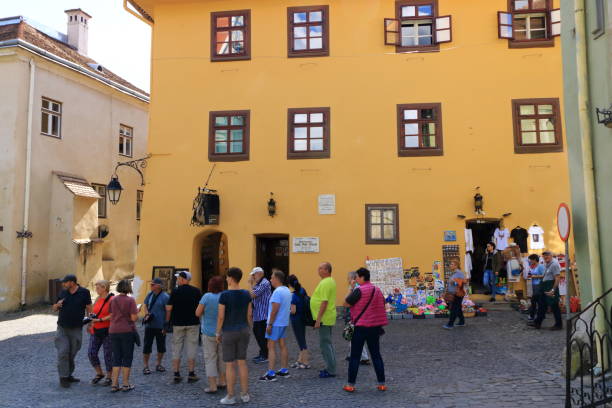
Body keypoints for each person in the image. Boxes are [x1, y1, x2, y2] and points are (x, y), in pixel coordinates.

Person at [342, 267, 388, 393]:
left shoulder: (358, 290)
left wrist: (351, 288)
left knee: (355, 356)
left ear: (362, 277)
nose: (355, 279)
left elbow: (346, 303)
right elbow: (382, 303)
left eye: (356, 277)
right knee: (376, 355)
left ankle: (350, 385)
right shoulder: (377, 290)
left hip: (360, 327)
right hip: (374, 327)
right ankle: (382, 384)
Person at [216, 267, 253, 405]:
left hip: (229, 331)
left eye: (227, 277)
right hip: (243, 329)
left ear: (231, 278)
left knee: (230, 365)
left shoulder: (224, 295)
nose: (226, 279)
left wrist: (217, 332)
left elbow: (221, 317)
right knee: (242, 363)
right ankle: (245, 394)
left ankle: (231, 396)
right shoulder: (246, 294)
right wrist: (249, 328)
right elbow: (249, 314)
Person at [52, 274, 92, 388]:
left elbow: (89, 307)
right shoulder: (62, 292)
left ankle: (68, 374)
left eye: (65, 282)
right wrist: (57, 305)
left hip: (76, 328)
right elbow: (54, 308)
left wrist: (90, 322)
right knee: (63, 351)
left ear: (72, 282)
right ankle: (63, 377)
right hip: (62, 328)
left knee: (72, 352)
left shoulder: (84, 292)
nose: (63, 284)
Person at [165, 270, 202, 384]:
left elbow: (169, 309)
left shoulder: (175, 292)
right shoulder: (196, 291)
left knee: (177, 348)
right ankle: (191, 373)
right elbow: (201, 307)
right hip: (193, 323)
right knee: (192, 348)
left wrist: (167, 322)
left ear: (183, 279)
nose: (177, 280)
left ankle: (176, 373)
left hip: (178, 324)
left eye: (178, 278)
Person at [195, 276, 227, 394]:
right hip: (223, 332)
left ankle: (213, 385)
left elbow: (197, 313)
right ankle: (223, 381)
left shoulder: (206, 297)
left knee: (210, 359)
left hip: (208, 332)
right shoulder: (225, 296)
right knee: (222, 358)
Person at [260, 270, 292, 382]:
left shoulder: (277, 292)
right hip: (283, 322)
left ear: (277, 279)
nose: (270, 279)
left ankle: (271, 373)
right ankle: (284, 370)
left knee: (271, 346)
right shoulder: (287, 290)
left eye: (272, 277)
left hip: (276, 323)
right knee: (283, 345)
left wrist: (270, 324)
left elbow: (275, 309)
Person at [108, 279, 138, 392]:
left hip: (113, 330)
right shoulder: (130, 300)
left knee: (116, 357)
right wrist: (137, 311)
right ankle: (125, 384)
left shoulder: (113, 300)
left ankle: (114, 385)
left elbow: (111, 315)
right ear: (128, 288)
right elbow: (134, 318)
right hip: (126, 331)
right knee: (127, 357)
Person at [311, 262, 337, 378]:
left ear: (327, 270)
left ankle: (331, 370)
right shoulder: (328, 281)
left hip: (324, 319)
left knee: (325, 344)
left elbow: (324, 302)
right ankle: (331, 367)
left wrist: (318, 319)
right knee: (327, 343)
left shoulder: (326, 282)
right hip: (327, 317)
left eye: (320, 268)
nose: (318, 269)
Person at [87, 280, 113, 386]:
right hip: (96, 330)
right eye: (96, 287)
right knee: (91, 353)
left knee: (108, 354)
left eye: (98, 288)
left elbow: (113, 314)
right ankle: (99, 373)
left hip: (108, 330)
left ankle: (109, 376)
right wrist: (90, 322)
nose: (96, 289)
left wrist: (100, 320)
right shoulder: (97, 299)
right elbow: (94, 312)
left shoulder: (112, 299)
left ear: (104, 288)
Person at [142, 278, 170, 375]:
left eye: (153, 284)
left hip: (160, 326)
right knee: (147, 346)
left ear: (159, 286)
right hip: (149, 325)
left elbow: (168, 311)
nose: (151, 286)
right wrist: (146, 314)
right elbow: (145, 304)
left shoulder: (165, 297)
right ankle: (146, 366)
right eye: (151, 284)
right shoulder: (150, 294)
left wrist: (166, 324)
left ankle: (158, 364)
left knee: (161, 346)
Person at [530, 251, 562, 330]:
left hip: (550, 287)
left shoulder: (554, 264)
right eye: (544, 256)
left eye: (547, 255)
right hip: (545, 287)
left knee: (554, 306)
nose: (545, 257)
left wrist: (553, 290)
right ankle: (537, 323)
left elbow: (557, 278)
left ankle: (558, 325)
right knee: (542, 305)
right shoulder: (547, 264)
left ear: (551, 256)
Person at [345, 271, 370, 365]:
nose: (347, 280)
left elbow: (346, 301)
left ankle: (363, 357)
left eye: (348, 278)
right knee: (352, 336)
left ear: (353, 279)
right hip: (355, 316)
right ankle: (352, 355)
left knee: (355, 337)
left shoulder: (356, 289)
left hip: (356, 317)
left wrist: (350, 289)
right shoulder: (356, 288)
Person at [248, 267, 271, 364]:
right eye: (252, 275)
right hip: (258, 315)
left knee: (261, 335)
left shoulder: (264, 283)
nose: (253, 277)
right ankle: (262, 353)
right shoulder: (259, 283)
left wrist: (250, 284)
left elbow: (252, 295)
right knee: (258, 334)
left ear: (260, 274)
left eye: (254, 274)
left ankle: (265, 355)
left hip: (263, 315)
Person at [287, 274, 310, 369]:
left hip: (296, 320)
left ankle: (306, 362)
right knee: (302, 339)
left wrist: (286, 310)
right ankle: (300, 360)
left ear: (290, 284)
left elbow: (293, 311)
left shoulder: (293, 296)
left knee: (301, 341)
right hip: (303, 318)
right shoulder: (302, 290)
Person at [443, 260, 467, 330]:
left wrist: (454, 281)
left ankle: (450, 324)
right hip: (453, 293)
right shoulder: (454, 273)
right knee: (458, 308)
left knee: (453, 309)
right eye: (450, 264)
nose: (450, 265)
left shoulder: (459, 273)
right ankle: (462, 322)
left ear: (456, 265)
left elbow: (464, 282)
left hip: (457, 294)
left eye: (452, 264)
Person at [525, 254, 545, 321]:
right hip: (534, 285)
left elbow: (544, 275)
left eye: (531, 259)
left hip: (539, 285)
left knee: (534, 300)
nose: (530, 261)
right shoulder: (532, 266)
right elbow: (531, 274)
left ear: (534, 260)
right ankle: (541, 315)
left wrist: (534, 276)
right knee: (538, 301)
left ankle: (532, 315)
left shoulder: (540, 266)